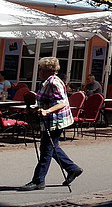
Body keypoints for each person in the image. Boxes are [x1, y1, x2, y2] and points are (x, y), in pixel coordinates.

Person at [20, 57, 83, 191]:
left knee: (46, 150)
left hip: (56, 120)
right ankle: (73, 169)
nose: (39, 72)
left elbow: (63, 102)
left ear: (49, 70)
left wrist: (47, 111)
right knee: (51, 147)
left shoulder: (54, 83)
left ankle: (38, 180)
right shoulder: (45, 82)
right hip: (49, 119)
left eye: (41, 69)